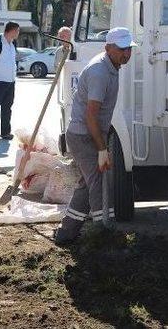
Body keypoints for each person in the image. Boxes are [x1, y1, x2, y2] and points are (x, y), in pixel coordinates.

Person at [54, 27, 136, 245]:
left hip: (89, 134)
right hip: (83, 136)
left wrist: (101, 145)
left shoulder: (111, 66)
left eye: (128, 49)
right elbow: (91, 116)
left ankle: (66, 233)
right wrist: (102, 148)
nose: (126, 53)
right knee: (98, 182)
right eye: (121, 49)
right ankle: (102, 232)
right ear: (108, 47)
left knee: (87, 183)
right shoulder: (100, 72)